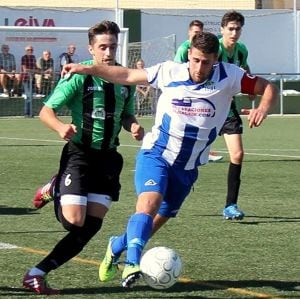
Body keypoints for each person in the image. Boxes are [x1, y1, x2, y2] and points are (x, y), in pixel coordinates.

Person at [62, 32, 278, 288]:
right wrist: (86, 68)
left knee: (155, 221)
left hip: (187, 167)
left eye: (206, 62)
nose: (199, 67)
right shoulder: (169, 71)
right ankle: (132, 263)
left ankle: (117, 244)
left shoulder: (230, 75)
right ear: (189, 55)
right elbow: (127, 75)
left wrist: (263, 107)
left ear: (215, 60)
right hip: (157, 153)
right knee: (148, 203)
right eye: (196, 60)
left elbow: (268, 87)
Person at [22, 20, 144, 295]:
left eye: (112, 46)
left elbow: (126, 114)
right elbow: (46, 111)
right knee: (74, 221)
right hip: (80, 155)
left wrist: (133, 124)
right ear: (91, 49)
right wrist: (60, 127)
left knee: (90, 226)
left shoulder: (126, 80)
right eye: (103, 47)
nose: (108, 52)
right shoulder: (79, 76)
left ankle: (37, 272)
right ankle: (55, 187)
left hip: (109, 159)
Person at [218, 10, 253, 220]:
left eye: (238, 28)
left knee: (238, 154)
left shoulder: (241, 50)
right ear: (222, 29)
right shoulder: (214, 48)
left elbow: (245, 68)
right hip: (205, 109)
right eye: (230, 28)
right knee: (188, 155)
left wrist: (250, 87)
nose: (234, 32)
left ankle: (230, 205)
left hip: (228, 110)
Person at [174, 19, 223, 163]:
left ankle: (203, 151)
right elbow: (177, 69)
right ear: (189, 33)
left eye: (200, 32)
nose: (197, 35)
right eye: (195, 32)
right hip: (184, 92)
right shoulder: (184, 49)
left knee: (204, 120)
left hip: (202, 90)